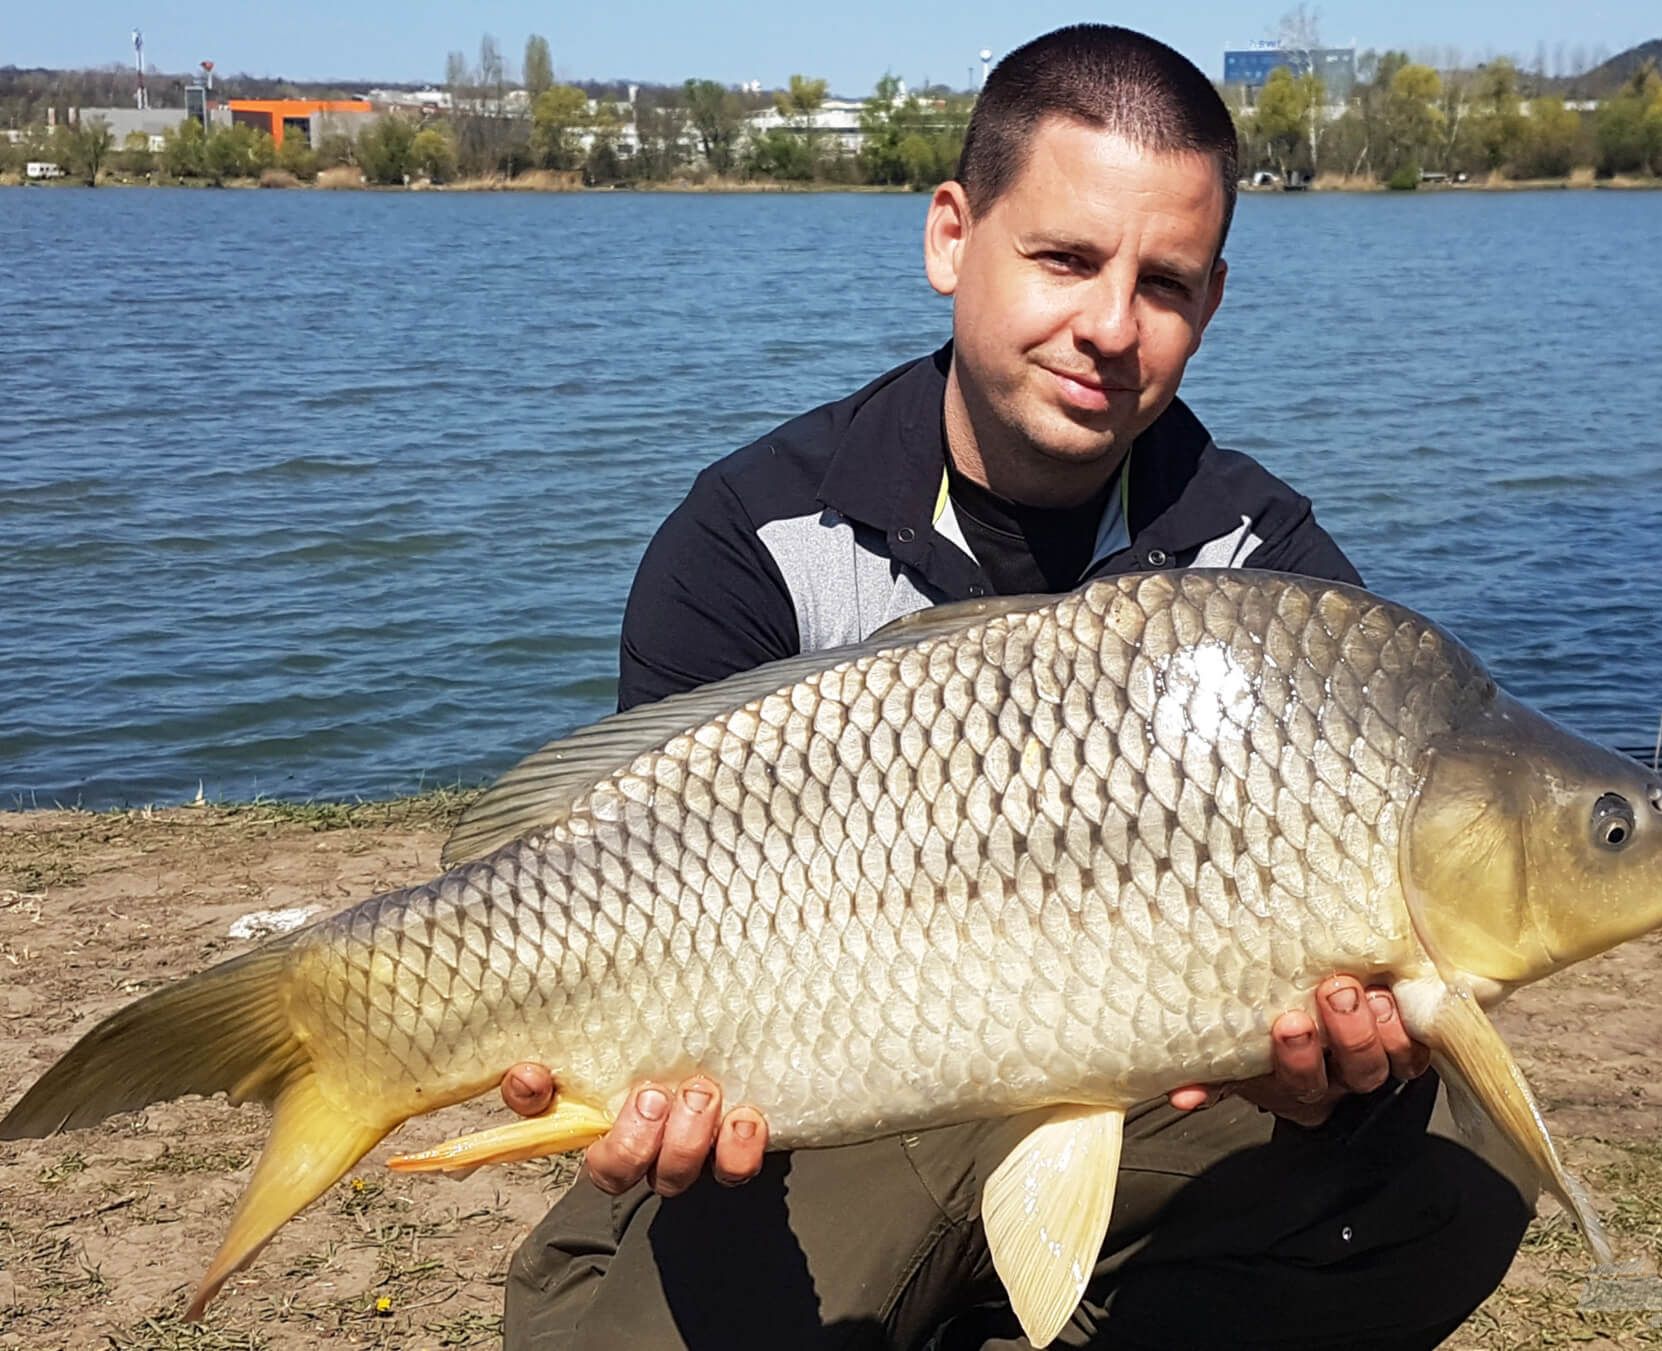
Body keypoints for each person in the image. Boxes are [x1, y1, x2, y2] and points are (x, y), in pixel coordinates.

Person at [499, 25, 1530, 1350]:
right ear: (949, 239)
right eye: (1063, 258)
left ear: (1211, 304)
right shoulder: (752, 545)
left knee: (1454, 1149)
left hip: (1141, 1099)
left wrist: (1334, 1079)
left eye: (1163, 283)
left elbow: (1357, 979)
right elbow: (628, 880)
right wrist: (654, 1089)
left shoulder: (1267, 577)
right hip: (821, 1098)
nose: (1109, 325)